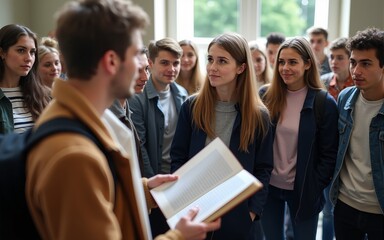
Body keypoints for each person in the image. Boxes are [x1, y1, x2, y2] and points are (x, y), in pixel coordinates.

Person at [25, 0, 220, 239]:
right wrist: (178, 236)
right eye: (138, 54)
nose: (143, 64)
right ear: (111, 62)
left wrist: (145, 189)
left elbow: (101, 195)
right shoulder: (75, 155)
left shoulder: (85, 119)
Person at [171, 32, 274, 240]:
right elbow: (178, 158)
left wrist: (252, 212)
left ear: (241, 68)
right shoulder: (191, 107)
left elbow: (264, 168)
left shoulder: (258, 115)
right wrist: (181, 202)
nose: (212, 67)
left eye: (222, 61)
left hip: (238, 215)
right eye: (210, 59)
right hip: (196, 209)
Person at [260, 37, 338, 240]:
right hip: (269, 187)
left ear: (307, 64)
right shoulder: (265, 96)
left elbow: (329, 154)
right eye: (281, 62)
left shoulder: (324, 103)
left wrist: (314, 183)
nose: (285, 68)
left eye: (292, 62)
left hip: (304, 190)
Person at [128, 37, 188, 236]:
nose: (171, 68)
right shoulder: (137, 97)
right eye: (165, 63)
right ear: (151, 63)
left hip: (177, 178)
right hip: (152, 180)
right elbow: (140, 147)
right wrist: (156, 187)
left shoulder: (182, 94)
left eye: (176, 63)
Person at [329, 27, 384, 240]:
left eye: (366, 64)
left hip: (379, 209)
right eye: (353, 62)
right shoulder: (344, 98)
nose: (356, 71)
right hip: (345, 204)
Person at [320, 37, 353, 240]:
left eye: (340, 57)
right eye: (332, 57)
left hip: (348, 155)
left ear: (349, 60)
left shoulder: (356, 86)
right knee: (327, 212)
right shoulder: (323, 82)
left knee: (344, 211)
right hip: (327, 152)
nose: (334, 61)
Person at [0, 24, 51, 134]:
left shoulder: (42, 95)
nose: (28, 58)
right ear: (2, 53)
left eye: (32, 52)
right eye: (21, 50)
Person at [109, 47, 149, 175]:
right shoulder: (108, 116)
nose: (145, 77)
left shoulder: (125, 108)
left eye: (147, 69)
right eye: (138, 70)